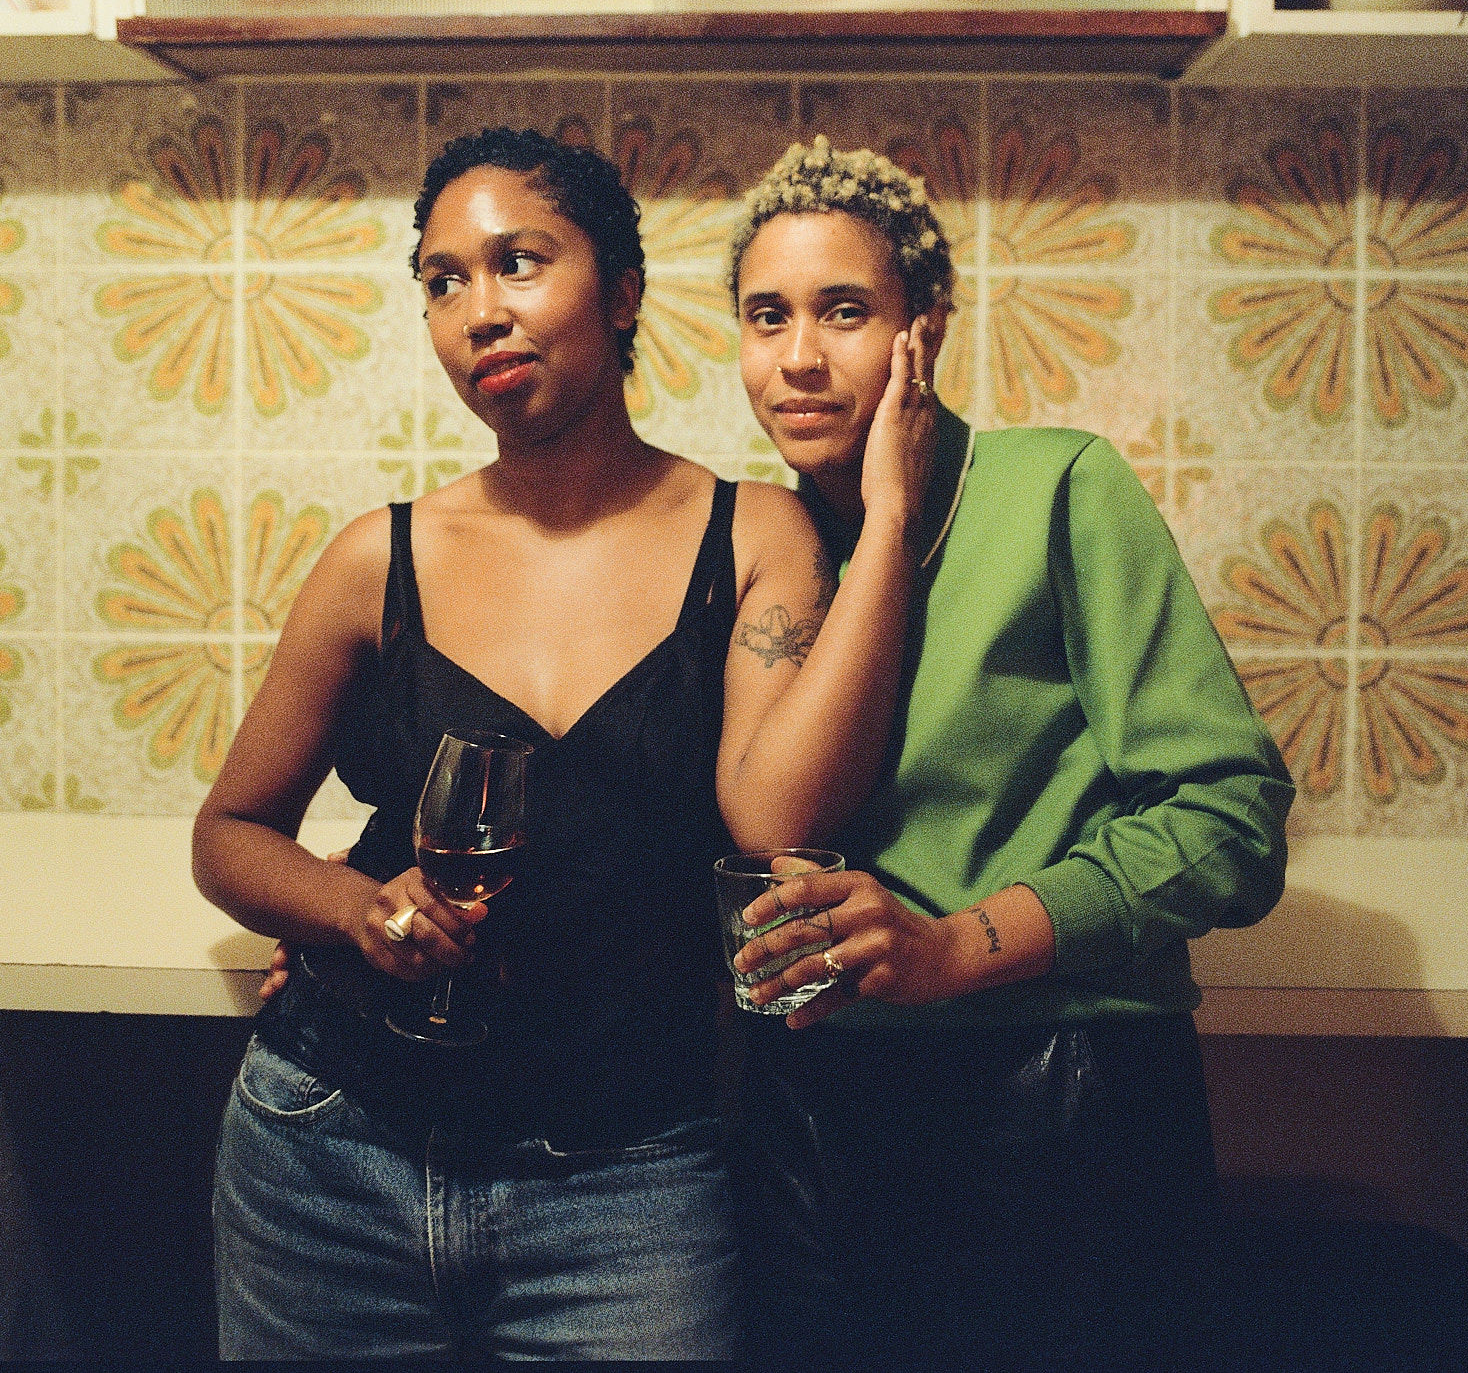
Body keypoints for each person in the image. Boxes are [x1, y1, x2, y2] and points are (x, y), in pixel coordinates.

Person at [192, 127, 935, 1361]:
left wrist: (895, 502)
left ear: (624, 292)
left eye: (519, 263)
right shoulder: (376, 559)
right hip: (330, 1143)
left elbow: (775, 817)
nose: (479, 312)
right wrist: (354, 911)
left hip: (627, 1179)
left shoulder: (752, 539)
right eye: (441, 281)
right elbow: (231, 833)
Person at [721, 137, 1296, 1366]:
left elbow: (1228, 821)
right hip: (803, 1100)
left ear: (924, 329)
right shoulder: (753, 543)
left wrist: (952, 946)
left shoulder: (1056, 487)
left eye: (844, 311)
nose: (798, 356)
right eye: (765, 316)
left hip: (1056, 1093)